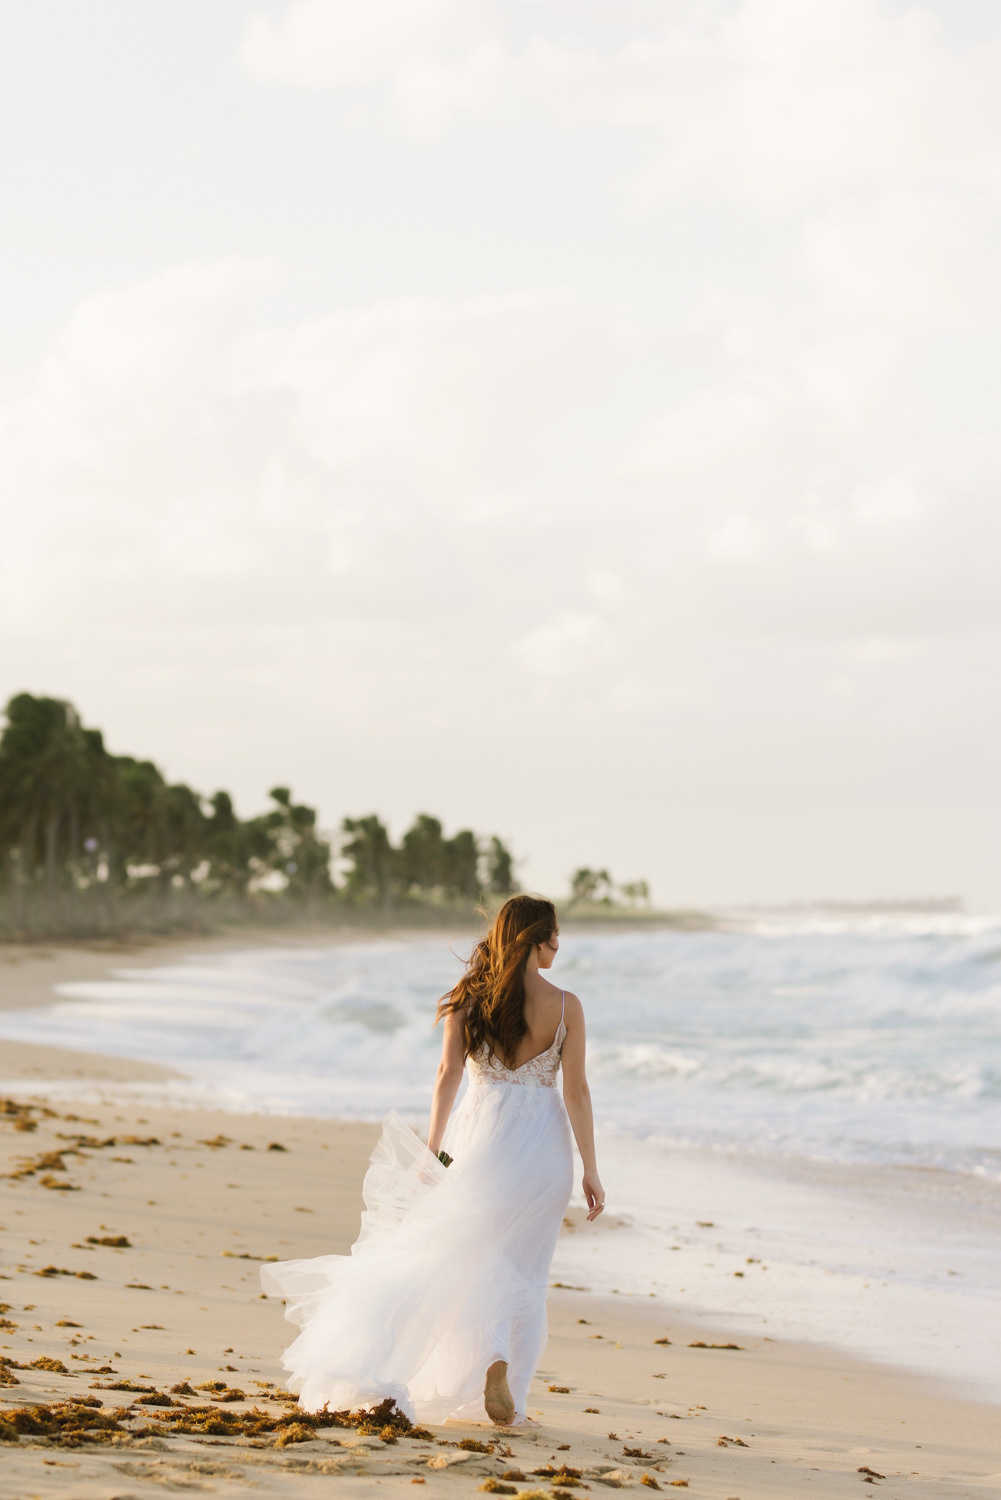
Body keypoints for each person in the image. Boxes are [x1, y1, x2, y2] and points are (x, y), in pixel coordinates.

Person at [261, 894, 604, 1428]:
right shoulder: (567, 1006)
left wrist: (432, 1149)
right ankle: (516, 1397)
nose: (559, 946)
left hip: (485, 1138)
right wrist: (591, 1169)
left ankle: (491, 1357)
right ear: (535, 941)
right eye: (554, 937)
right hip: (545, 1150)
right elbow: (577, 1091)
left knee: (475, 1260)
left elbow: (446, 1075)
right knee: (529, 1277)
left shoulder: (467, 999)